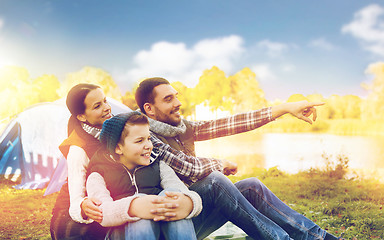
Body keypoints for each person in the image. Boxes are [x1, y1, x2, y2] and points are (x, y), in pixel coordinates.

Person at [134, 77, 345, 240]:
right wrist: (220, 164)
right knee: (215, 181)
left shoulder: (180, 127)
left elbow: (232, 123)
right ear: (149, 109)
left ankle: (319, 237)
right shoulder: (142, 136)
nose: (178, 103)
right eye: (168, 99)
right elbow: (188, 167)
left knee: (251, 186)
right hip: (171, 227)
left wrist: (284, 108)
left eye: (176, 96)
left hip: (194, 210)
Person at [86, 111, 202, 240]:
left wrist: (189, 202)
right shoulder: (98, 174)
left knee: (172, 196)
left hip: (161, 230)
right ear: (118, 148)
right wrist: (134, 206)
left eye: (148, 139)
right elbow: (102, 213)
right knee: (141, 213)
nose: (148, 146)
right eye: (139, 141)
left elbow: (184, 191)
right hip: (120, 234)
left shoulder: (158, 165)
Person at [50, 83, 110, 239]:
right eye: (98, 106)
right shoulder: (78, 149)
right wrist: (83, 206)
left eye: (105, 101)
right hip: (72, 217)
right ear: (82, 116)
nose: (106, 107)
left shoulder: (113, 131)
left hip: (106, 202)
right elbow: (76, 199)